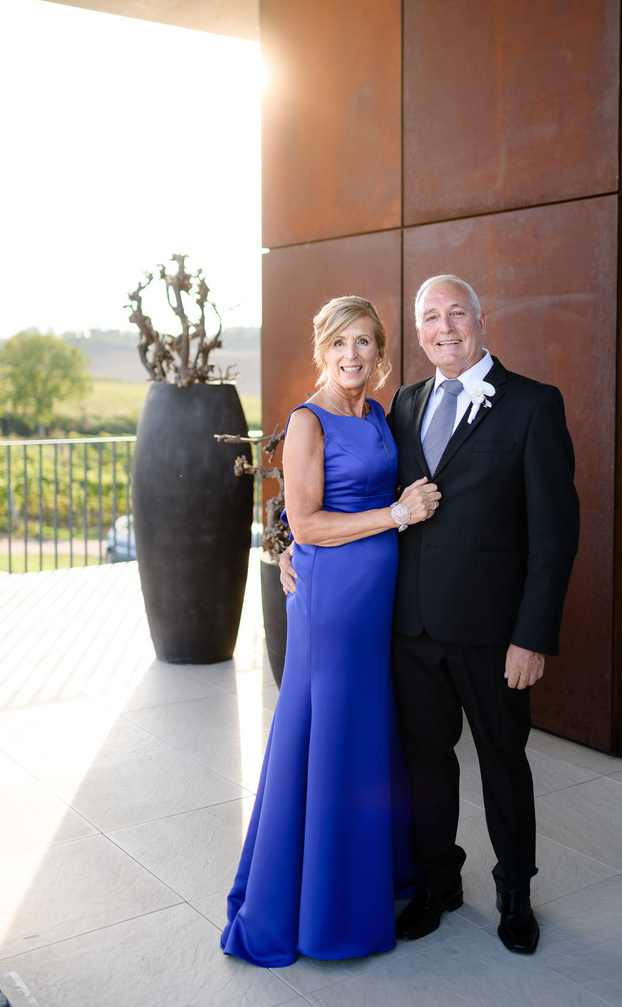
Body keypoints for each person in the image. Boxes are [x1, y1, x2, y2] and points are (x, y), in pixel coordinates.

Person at [281, 274, 579, 956]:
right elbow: (331, 486)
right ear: (416, 334)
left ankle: (514, 894)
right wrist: (283, 545)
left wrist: (531, 635)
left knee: (503, 762)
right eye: (429, 319)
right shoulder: (401, 407)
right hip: (406, 629)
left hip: (492, 634)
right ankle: (439, 882)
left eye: (456, 314)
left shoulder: (534, 405)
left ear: (479, 319)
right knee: (423, 766)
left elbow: (556, 535)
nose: (444, 328)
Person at [221, 295, 440, 967]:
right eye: (340, 343)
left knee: (367, 734)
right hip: (333, 605)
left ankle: (367, 880)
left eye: (365, 343)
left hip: (378, 600)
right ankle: (314, 906)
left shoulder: (377, 414)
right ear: (322, 350)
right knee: (326, 734)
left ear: (379, 353)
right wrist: (398, 515)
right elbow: (309, 523)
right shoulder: (307, 421)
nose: (353, 356)